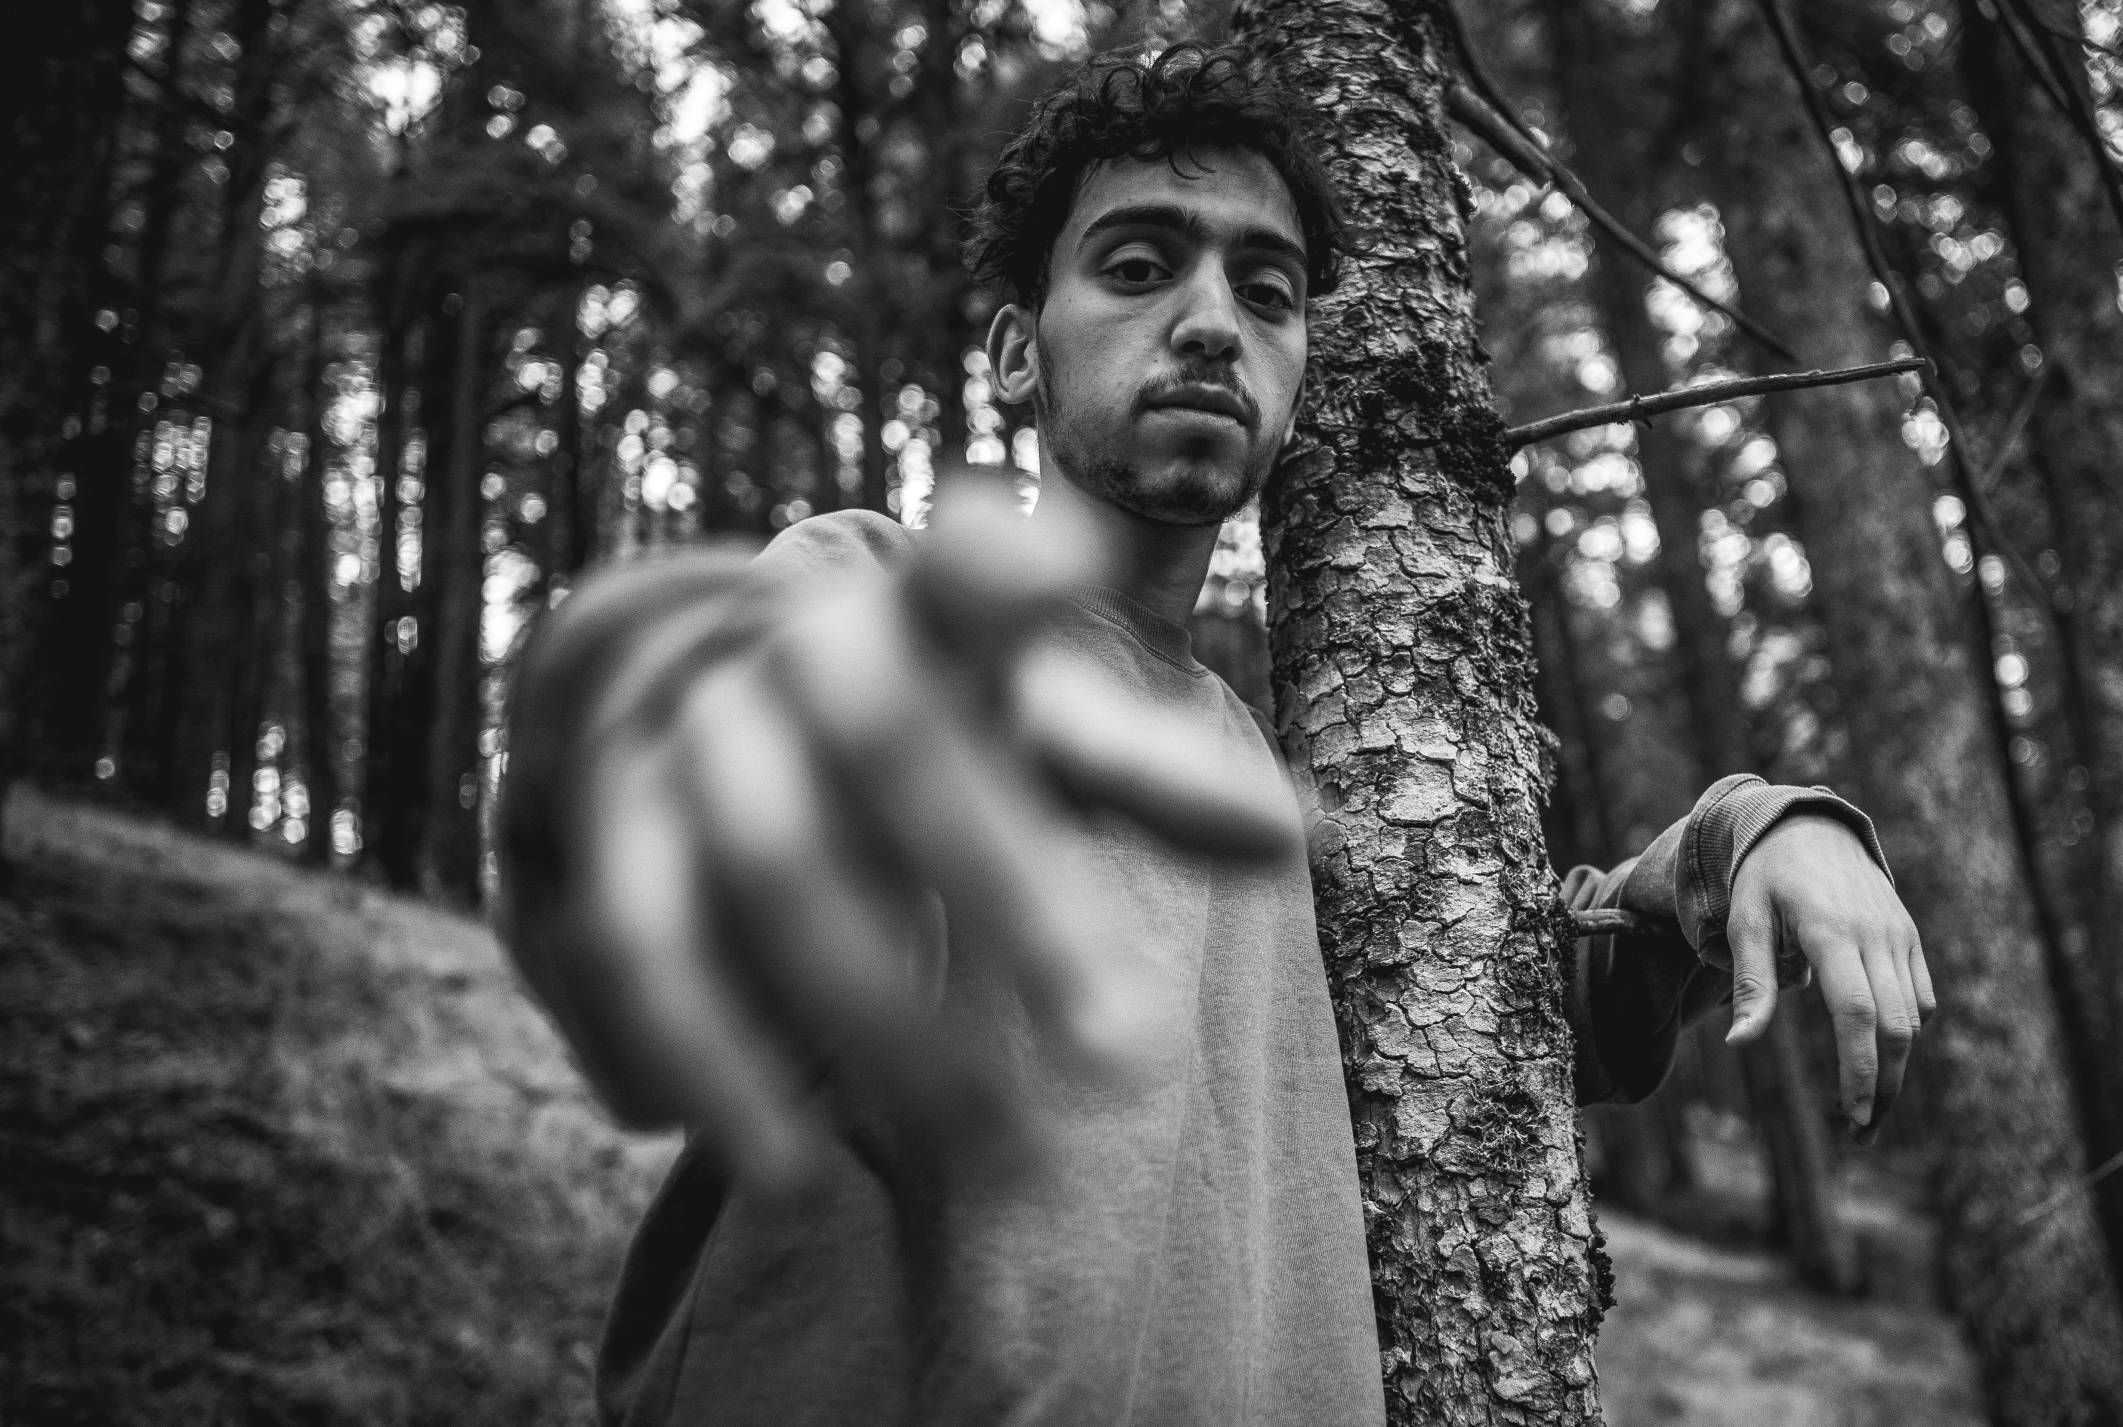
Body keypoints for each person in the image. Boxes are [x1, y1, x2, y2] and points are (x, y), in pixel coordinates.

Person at [495, 42, 1932, 1427]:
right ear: (1014, 352)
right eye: (1135, 265)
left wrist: (1751, 832)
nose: (1207, 322)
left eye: (1266, 291)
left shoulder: (1259, 784)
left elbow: (1493, 1011)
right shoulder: (863, 596)